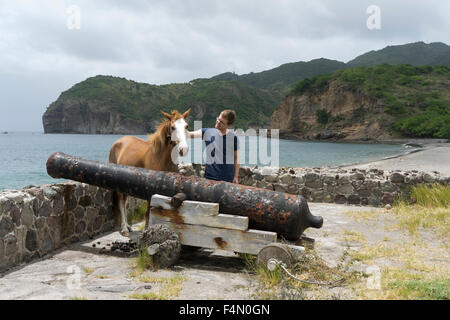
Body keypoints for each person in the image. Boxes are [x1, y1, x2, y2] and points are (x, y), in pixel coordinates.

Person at [189, 110, 240, 183]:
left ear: (228, 125)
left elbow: (236, 158)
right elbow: (189, 135)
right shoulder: (207, 132)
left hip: (227, 179)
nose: (218, 123)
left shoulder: (233, 138)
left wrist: (236, 177)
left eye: (222, 122)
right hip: (210, 177)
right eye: (218, 119)